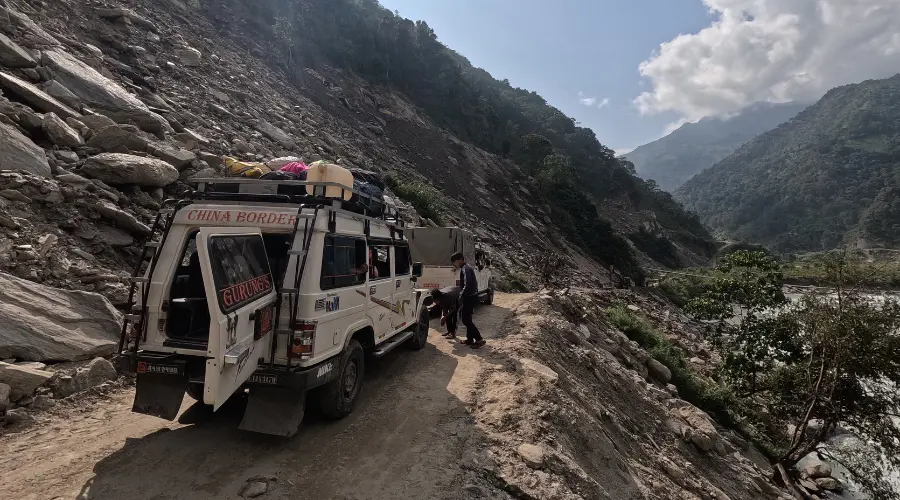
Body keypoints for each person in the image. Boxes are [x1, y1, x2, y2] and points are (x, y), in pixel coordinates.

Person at [451, 252, 485, 348]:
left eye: (455, 262)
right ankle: (470, 339)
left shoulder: (466, 268)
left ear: (460, 259)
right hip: (471, 296)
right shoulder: (466, 267)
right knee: (467, 319)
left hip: (469, 297)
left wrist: (461, 295)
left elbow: (468, 283)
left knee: (466, 320)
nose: (455, 264)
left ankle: (479, 339)